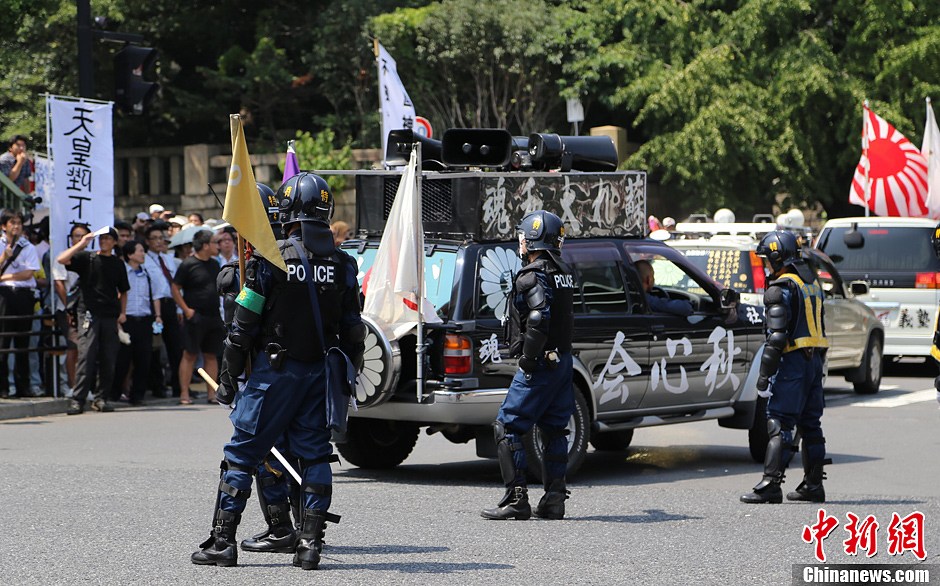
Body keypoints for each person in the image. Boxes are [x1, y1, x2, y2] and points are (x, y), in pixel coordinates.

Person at [191, 172, 365, 570]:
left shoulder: (270, 257)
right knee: (315, 456)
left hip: (274, 374)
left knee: (241, 455)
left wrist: (230, 376)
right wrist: (347, 376)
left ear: (287, 210)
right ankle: (309, 545)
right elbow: (354, 329)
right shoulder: (343, 262)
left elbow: (243, 323)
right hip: (319, 375)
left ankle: (221, 542)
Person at [216, 182, 302, 555]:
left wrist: (227, 380)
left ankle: (266, 531)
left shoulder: (264, 267)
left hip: (270, 375)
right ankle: (288, 527)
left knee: (256, 453)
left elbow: (240, 332)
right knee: (279, 453)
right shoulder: (249, 267)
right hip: (298, 374)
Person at [481, 210, 576, 521]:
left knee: (506, 425)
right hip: (562, 362)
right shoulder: (564, 271)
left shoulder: (533, 274)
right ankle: (554, 500)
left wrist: (527, 360)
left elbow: (538, 318)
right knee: (554, 429)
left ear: (531, 238)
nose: (519, 240)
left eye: (522, 235)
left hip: (541, 364)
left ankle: (516, 498)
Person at [741, 230, 829, 504]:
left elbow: (777, 337)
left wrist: (764, 376)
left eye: (768, 259)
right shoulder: (810, 283)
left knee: (779, 422)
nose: (766, 264)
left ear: (778, 258)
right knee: (811, 424)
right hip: (814, 360)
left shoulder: (780, 288)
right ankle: (813, 485)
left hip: (793, 362)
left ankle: (770, 484)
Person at [57, 227, 129, 415]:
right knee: (86, 355)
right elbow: (62, 259)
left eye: (108, 239)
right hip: (88, 312)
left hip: (109, 315)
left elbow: (123, 291)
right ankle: (78, 399)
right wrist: (82, 243)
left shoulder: (117, 264)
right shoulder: (87, 258)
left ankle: (101, 398)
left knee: (108, 357)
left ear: (114, 242)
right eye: (102, 238)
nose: (104, 241)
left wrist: (122, 313)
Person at [171, 229, 222, 404]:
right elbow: (175, 287)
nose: (218, 246)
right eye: (215, 242)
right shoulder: (188, 264)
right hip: (195, 316)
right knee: (190, 354)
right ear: (206, 245)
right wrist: (186, 309)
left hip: (214, 316)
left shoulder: (215, 264)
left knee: (211, 355)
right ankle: (184, 393)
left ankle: (212, 393)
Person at [112, 240, 160, 406]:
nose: (143, 254)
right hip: (126, 319)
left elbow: (155, 295)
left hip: (144, 319)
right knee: (122, 360)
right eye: (140, 251)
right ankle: (114, 393)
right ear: (130, 254)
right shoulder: (121, 272)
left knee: (143, 359)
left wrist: (157, 315)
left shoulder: (146, 273)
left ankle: (137, 395)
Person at [0, 210, 41, 398]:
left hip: (24, 294)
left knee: (23, 342)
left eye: (18, 223)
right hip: (4, 295)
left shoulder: (28, 247)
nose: (16, 226)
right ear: (4, 226)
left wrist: (4, 276)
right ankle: (3, 387)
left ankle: (23, 385)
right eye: (12, 223)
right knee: (4, 341)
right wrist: (4, 258)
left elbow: (29, 273)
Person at [144, 224, 182, 398]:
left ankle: (178, 386)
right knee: (155, 348)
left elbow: (175, 284)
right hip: (153, 306)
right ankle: (157, 386)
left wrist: (179, 306)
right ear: (147, 241)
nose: (159, 242)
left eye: (161, 238)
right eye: (155, 238)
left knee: (176, 347)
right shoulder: (144, 259)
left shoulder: (168, 259)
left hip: (170, 304)